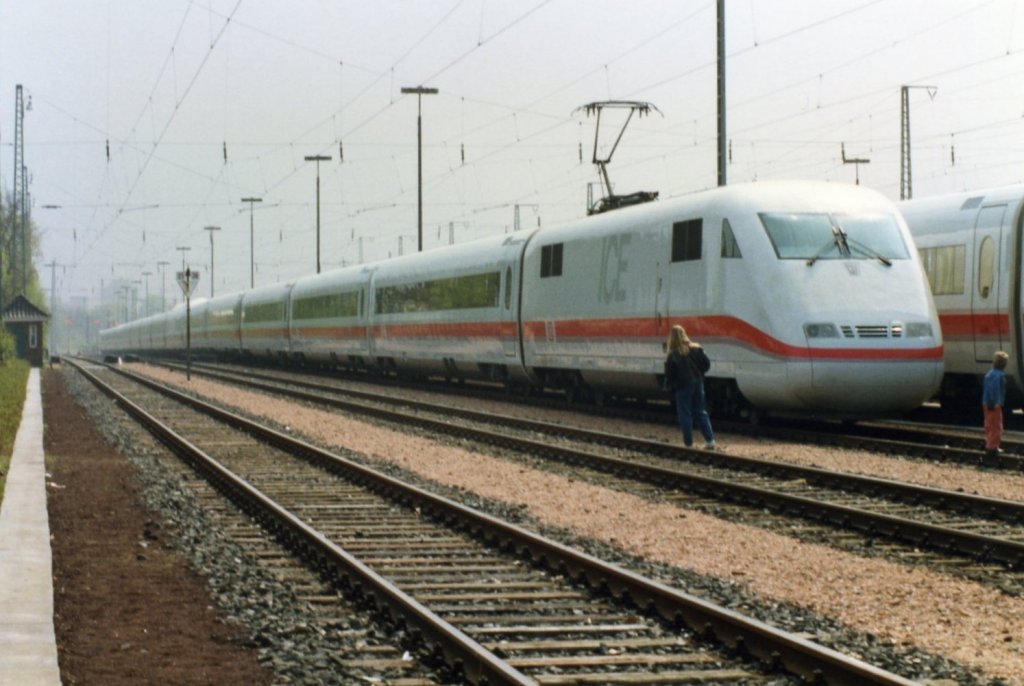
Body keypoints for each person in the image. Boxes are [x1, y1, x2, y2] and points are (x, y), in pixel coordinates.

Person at [664, 325, 715, 449]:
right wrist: (700, 374)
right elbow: (707, 364)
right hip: (698, 383)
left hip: (682, 386)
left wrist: (672, 384)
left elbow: (669, 374)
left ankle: (688, 444)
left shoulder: (673, 354)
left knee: (685, 414)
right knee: (700, 411)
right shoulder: (697, 349)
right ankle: (710, 441)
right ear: (685, 334)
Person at [982, 350, 1009, 458]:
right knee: (997, 426)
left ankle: (989, 444)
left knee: (989, 424)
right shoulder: (1000, 376)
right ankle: (992, 448)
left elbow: (986, 389)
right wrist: (997, 402)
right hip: (994, 404)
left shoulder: (988, 374)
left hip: (986, 403)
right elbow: (997, 390)